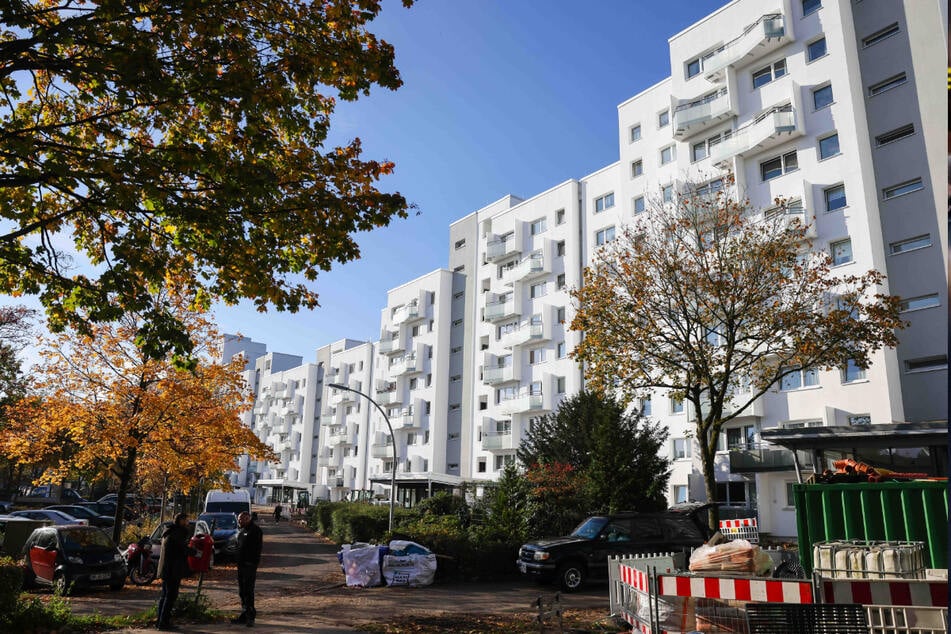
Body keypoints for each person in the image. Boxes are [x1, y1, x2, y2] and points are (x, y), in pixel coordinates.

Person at [156, 513, 191, 631]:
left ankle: (159, 621)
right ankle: (164, 623)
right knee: (170, 596)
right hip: (173, 569)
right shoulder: (178, 533)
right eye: (187, 520)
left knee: (164, 595)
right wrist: (195, 552)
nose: (188, 523)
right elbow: (183, 549)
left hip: (166, 568)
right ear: (181, 521)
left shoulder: (169, 531)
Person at [232, 510, 263, 627]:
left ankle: (250, 617)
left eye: (242, 519)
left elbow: (257, 549)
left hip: (249, 565)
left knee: (248, 591)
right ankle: (244, 615)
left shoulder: (255, 530)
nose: (239, 521)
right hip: (241, 565)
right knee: (242, 591)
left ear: (248, 519)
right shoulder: (242, 530)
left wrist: (252, 562)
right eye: (239, 519)